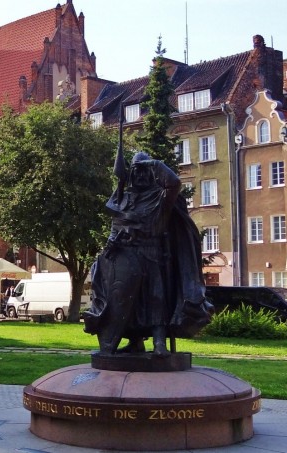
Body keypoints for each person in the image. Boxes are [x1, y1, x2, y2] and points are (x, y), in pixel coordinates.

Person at [83, 149, 213, 357]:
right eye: (136, 171)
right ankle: (135, 342)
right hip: (126, 254)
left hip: (152, 254)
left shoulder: (160, 197)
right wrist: (111, 245)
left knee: (155, 298)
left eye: (145, 171)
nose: (141, 175)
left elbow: (175, 183)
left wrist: (152, 163)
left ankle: (159, 342)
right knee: (129, 302)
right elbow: (115, 226)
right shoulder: (123, 198)